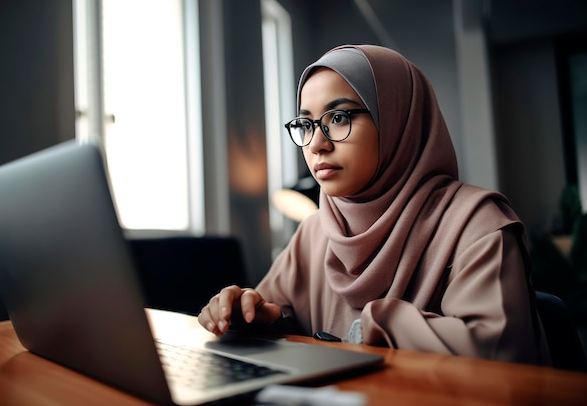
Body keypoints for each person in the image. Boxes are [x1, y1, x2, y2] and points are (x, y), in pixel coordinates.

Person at [197, 44, 551, 365]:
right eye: (306, 123)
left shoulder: (477, 224)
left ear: (397, 120)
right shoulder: (316, 231)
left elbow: (501, 358)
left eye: (339, 117)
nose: (317, 143)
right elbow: (275, 312)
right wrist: (251, 315)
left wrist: (377, 325)